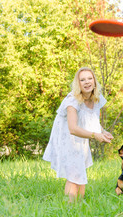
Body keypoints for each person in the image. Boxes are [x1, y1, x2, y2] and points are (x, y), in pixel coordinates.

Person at [43, 67, 113, 202]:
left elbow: (90, 119)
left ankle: (78, 206)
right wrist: (95, 135)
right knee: (74, 173)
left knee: (80, 170)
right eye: (82, 80)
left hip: (82, 135)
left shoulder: (95, 98)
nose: (87, 82)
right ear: (78, 83)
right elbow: (73, 128)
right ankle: (70, 207)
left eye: (89, 78)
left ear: (94, 81)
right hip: (67, 137)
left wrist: (103, 132)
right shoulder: (72, 101)